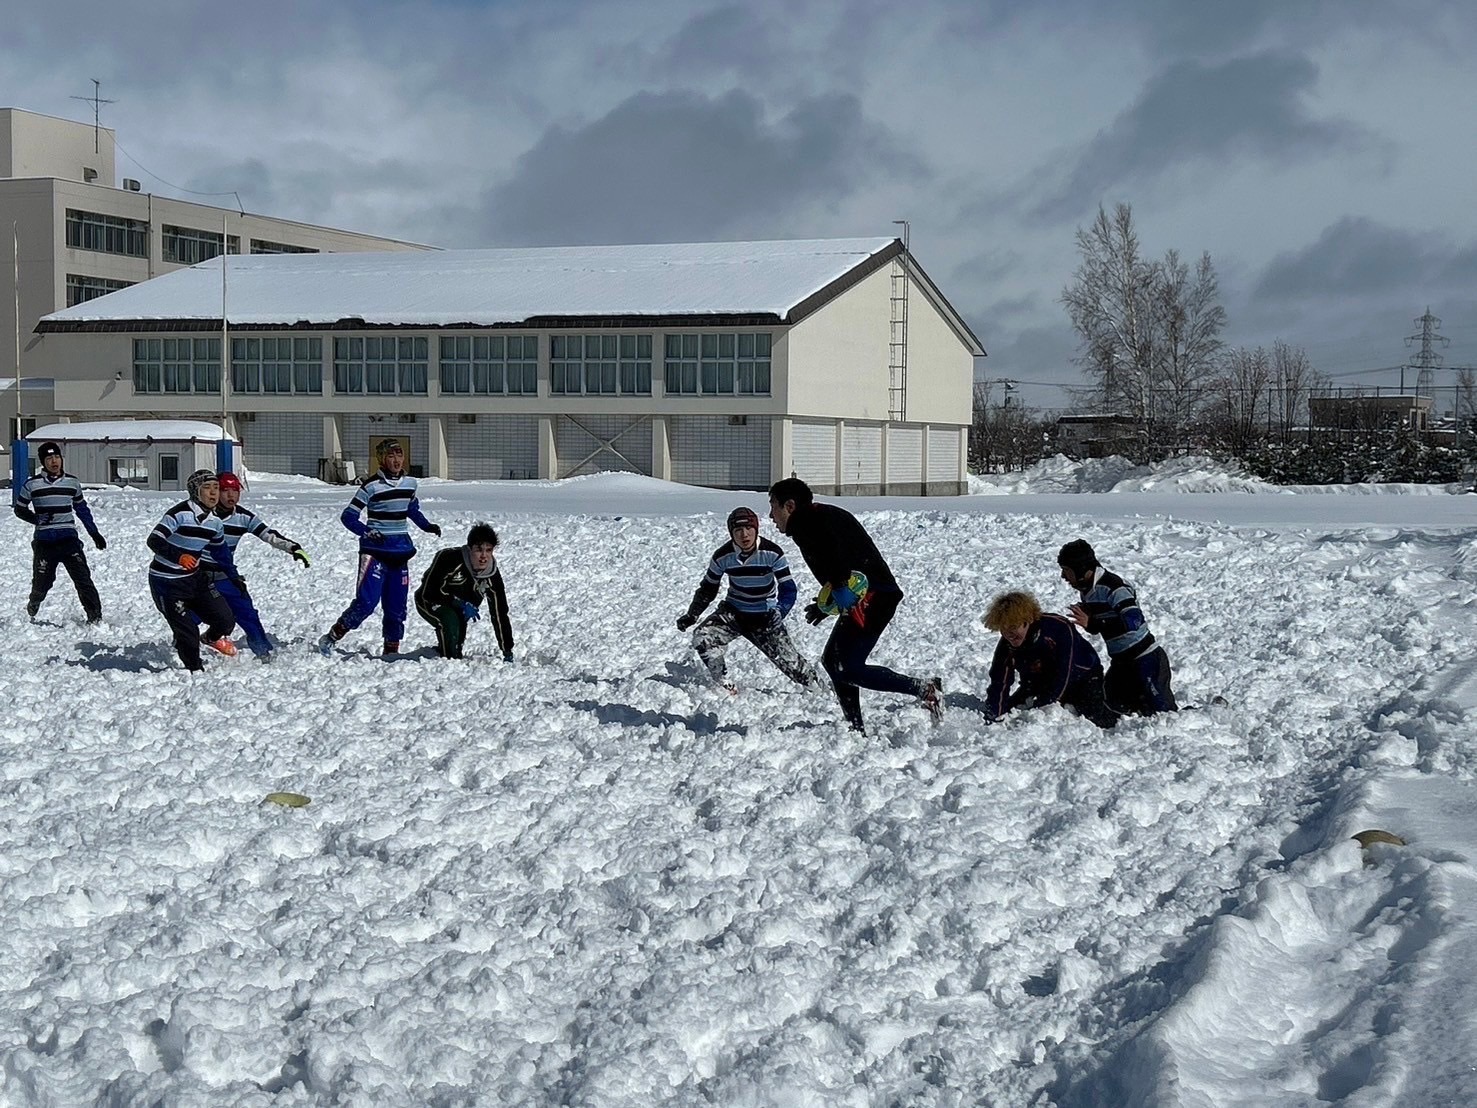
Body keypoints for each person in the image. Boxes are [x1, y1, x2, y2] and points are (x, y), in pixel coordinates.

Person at [767, 477, 940, 732]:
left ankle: (924, 689)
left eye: (773, 506)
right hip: (868, 594)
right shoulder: (816, 517)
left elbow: (835, 556)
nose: (771, 516)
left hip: (875, 596)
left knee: (846, 666)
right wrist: (827, 604)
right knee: (834, 661)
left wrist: (838, 588)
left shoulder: (808, 523)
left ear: (790, 506)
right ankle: (855, 726)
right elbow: (842, 560)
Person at [675, 506, 819, 693]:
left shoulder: (773, 553)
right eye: (738, 530)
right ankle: (724, 684)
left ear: (756, 529)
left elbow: (788, 588)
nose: (744, 535)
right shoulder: (722, 556)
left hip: (765, 617)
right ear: (731, 533)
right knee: (703, 637)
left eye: (749, 528)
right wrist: (692, 614)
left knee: (794, 666)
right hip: (733, 614)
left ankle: (820, 691)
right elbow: (708, 588)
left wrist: (780, 610)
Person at [318, 439, 440, 656]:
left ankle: (391, 652)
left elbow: (412, 510)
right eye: (391, 456)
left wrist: (427, 526)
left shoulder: (410, 484)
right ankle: (333, 636)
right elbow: (348, 516)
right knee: (366, 603)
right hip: (375, 554)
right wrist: (366, 532)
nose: (396, 460)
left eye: (400, 455)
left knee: (396, 608)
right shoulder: (370, 486)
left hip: (400, 553)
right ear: (382, 459)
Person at [197, 471, 312, 660]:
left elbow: (269, 535)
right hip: (198, 575)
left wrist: (293, 548)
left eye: (235, 490)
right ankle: (181, 648)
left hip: (225, 575)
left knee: (247, 613)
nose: (231, 495)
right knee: (192, 614)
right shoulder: (201, 515)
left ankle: (264, 652)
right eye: (225, 490)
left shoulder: (243, 517)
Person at [1058, 538, 1177, 716]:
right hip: (1122, 663)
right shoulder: (1088, 592)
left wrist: (1093, 622)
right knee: (1114, 708)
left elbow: (1133, 621)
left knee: (1163, 716)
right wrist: (1090, 621)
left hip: (1145, 659)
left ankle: (1208, 713)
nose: (1063, 576)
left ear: (1080, 568)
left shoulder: (1113, 587)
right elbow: (1100, 628)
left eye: (1066, 570)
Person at [980, 590, 1118, 729]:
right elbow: (1000, 681)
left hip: (1082, 677)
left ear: (1028, 620)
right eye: (1003, 629)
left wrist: (1045, 703)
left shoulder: (1058, 627)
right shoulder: (1007, 645)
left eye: (1013, 627)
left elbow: (1065, 670)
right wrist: (995, 715)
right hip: (1039, 682)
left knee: (1097, 716)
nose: (1009, 634)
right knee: (1013, 709)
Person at [146, 469, 239, 672]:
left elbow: (221, 553)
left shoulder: (215, 523)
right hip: (166, 582)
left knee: (226, 620)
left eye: (217, 488)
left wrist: (234, 576)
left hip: (195, 579)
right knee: (187, 631)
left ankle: (211, 639)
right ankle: (195, 671)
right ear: (195, 491)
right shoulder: (179, 514)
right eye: (207, 488)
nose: (213, 493)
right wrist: (179, 556)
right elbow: (153, 540)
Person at [13, 441, 105, 623]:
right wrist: (36, 519)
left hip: (68, 540)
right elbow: (19, 509)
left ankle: (95, 617)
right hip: (44, 543)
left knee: (83, 579)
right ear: (43, 462)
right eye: (49, 458)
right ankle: (35, 600)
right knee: (42, 583)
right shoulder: (32, 485)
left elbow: (82, 509)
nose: (54, 461)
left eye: (57, 457)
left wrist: (94, 533)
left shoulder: (72, 483)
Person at [413, 522, 514, 660]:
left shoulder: (491, 575)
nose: (483, 556)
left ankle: (448, 652)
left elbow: (500, 611)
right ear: (469, 549)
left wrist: (507, 649)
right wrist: (459, 603)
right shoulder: (450, 558)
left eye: (489, 550)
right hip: (429, 601)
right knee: (450, 621)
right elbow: (430, 592)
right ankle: (446, 660)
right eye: (479, 550)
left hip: (461, 608)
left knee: (456, 641)